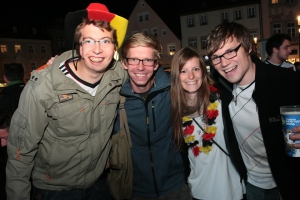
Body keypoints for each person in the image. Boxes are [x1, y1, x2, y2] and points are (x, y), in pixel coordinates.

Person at [6, 3, 128, 200]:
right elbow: (21, 153)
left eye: (105, 41)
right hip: (53, 191)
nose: (97, 50)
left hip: (99, 186)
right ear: (78, 45)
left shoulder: (117, 76)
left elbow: (145, 73)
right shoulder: (44, 87)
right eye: (89, 40)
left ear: (114, 47)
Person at [205, 21, 300, 200]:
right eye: (216, 57)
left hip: (287, 185)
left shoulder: (285, 82)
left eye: (230, 51)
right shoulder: (223, 91)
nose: (224, 63)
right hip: (252, 186)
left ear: (248, 47)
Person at [113, 33, 192, 199]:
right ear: (124, 63)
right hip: (134, 191)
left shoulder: (173, 90)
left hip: (176, 187)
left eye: (147, 60)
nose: (140, 67)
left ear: (156, 64)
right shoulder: (113, 98)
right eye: (134, 59)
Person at [170, 47, 244, 200]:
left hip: (232, 188)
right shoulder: (174, 112)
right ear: (177, 76)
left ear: (203, 72)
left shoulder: (222, 100)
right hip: (199, 191)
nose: (191, 76)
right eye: (183, 71)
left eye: (196, 69)